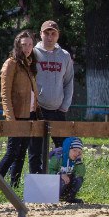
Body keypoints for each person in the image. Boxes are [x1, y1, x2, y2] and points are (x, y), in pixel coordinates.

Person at [0, 30, 39, 190]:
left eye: (30, 44)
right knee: (12, 152)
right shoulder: (11, 63)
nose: (27, 48)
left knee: (21, 153)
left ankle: (13, 186)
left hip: (30, 115)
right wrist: (10, 118)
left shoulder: (29, 64)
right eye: (24, 45)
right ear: (17, 45)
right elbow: (5, 93)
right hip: (16, 116)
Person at [33, 19, 76, 157]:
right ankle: (37, 176)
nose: (50, 37)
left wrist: (65, 105)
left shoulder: (64, 56)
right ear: (41, 34)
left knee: (63, 148)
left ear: (58, 35)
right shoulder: (33, 54)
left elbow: (69, 81)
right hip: (38, 109)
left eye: (53, 34)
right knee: (36, 149)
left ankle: (62, 177)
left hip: (58, 110)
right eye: (47, 33)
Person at [47, 137, 86, 203]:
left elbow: (81, 174)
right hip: (51, 187)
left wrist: (79, 162)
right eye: (74, 150)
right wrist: (60, 175)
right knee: (63, 178)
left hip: (66, 186)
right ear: (68, 149)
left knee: (79, 179)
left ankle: (69, 198)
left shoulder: (76, 161)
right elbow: (48, 171)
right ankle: (53, 198)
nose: (76, 153)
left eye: (79, 152)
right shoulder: (57, 158)